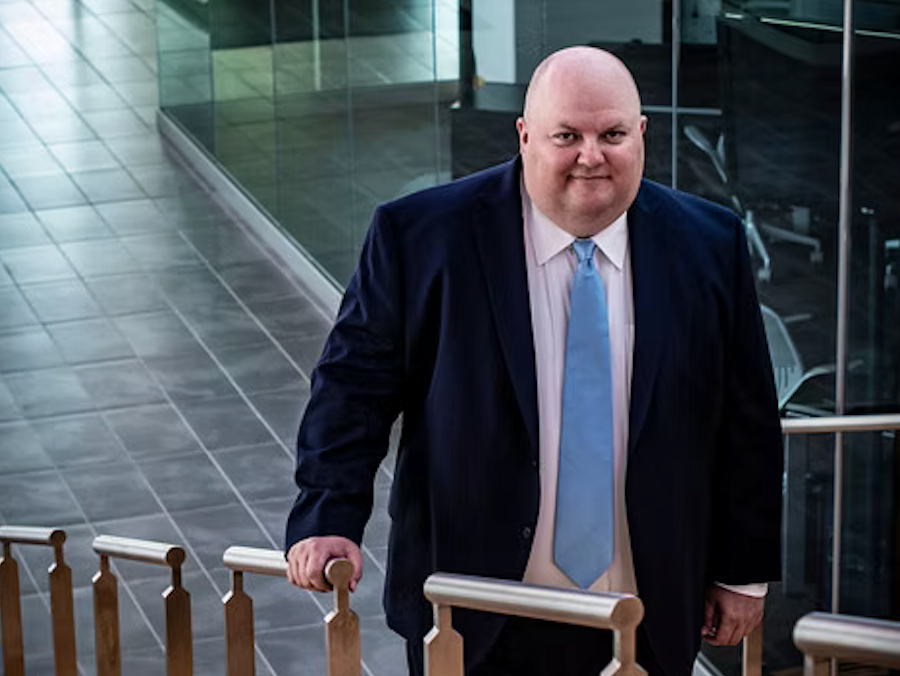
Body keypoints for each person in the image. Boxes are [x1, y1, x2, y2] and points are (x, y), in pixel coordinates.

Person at [285, 46, 782, 676]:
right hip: (475, 608)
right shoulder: (420, 238)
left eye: (613, 134)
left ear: (642, 134)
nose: (591, 155)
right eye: (567, 135)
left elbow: (748, 421)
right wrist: (328, 514)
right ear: (524, 136)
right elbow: (352, 390)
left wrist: (744, 571)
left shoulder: (710, 244)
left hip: (647, 610)